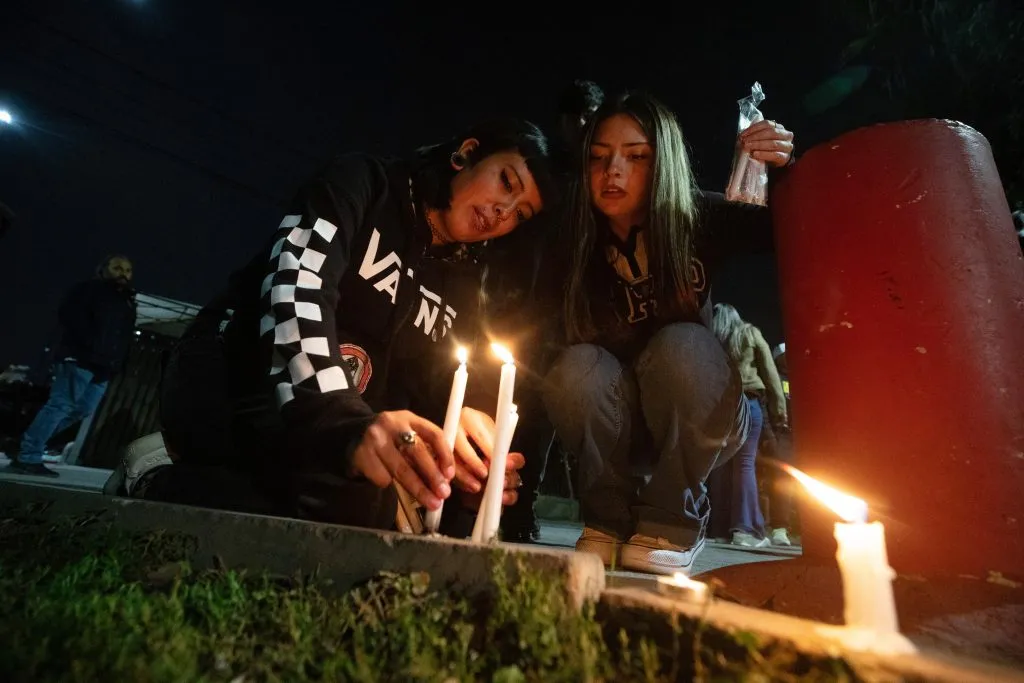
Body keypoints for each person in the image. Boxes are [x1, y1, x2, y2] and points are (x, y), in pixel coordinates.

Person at [134, 117, 559, 532]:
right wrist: (342, 421)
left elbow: (431, 385)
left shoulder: (466, 283)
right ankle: (157, 475)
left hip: (337, 426)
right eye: (507, 182)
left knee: (419, 508)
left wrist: (463, 454)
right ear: (465, 154)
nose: (504, 212)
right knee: (357, 503)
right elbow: (295, 292)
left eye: (521, 214)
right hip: (237, 376)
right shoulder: (362, 184)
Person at [542, 90, 794, 574]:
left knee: (682, 345)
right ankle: (607, 520)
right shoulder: (572, 242)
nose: (612, 170)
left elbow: (783, 227)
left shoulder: (697, 218)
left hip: (701, 415)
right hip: (619, 422)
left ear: (664, 162)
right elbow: (532, 342)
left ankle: (672, 519)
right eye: (598, 156)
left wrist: (783, 166)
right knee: (574, 368)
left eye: (635, 156)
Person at [9, 255, 137, 477]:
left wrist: (119, 363)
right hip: (80, 358)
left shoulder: (126, 301)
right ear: (103, 270)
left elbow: (124, 336)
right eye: (117, 268)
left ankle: (26, 443)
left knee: (82, 409)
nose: (123, 273)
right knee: (60, 405)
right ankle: (28, 455)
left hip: (104, 366)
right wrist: (85, 346)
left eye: (127, 270)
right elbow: (69, 316)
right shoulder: (88, 290)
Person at [709, 302, 787, 547]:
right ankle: (744, 530)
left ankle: (718, 529)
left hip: (719, 406)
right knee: (745, 465)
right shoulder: (750, 333)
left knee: (719, 466)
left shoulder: (712, 338)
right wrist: (779, 409)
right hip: (748, 400)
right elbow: (770, 372)